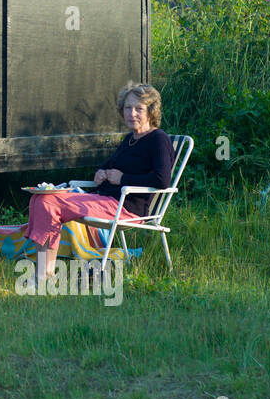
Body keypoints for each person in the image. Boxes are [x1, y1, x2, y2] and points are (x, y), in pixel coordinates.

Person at [23, 82, 173, 281]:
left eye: (139, 108)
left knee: (48, 202)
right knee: (41, 199)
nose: (132, 113)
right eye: (128, 108)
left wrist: (122, 179)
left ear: (151, 111)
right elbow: (108, 166)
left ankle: (43, 275)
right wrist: (100, 173)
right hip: (106, 201)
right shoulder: (130, 139)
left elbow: (162, 180)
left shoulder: (158, 139)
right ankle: (45, 272)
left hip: (127, 208)